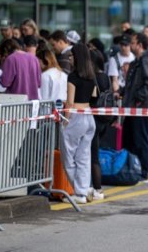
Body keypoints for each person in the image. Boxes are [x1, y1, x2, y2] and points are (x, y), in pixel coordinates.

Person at [61, 44, 98, 204]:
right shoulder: (92, 76)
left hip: (75, 116)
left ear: (77, 57)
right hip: (89, 115)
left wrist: (65, 122)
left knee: (68, 157)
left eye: (71, 55)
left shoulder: (73, 77)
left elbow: (69, 102)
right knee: (83, 157)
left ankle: (80, 191)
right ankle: (84, 190)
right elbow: (95, 97)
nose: (70, 58)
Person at [122, 33, 148, 183]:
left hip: (143, 107)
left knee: (141, 139)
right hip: (133, 107)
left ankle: (143, 172)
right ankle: (133, 169)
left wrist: (139, 97)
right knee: (130, 139)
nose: (130, 45)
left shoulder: (146, 61)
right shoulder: (137, 62)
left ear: (139, 45)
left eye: (132, 42)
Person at [87, 48, 110, 200]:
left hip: (94, 118)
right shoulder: (106, 77)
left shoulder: (93, 77)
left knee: (92, 156)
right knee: (94, 153)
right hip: (104, 119)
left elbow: (93, 98)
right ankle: (95, 188)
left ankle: (97, 189)